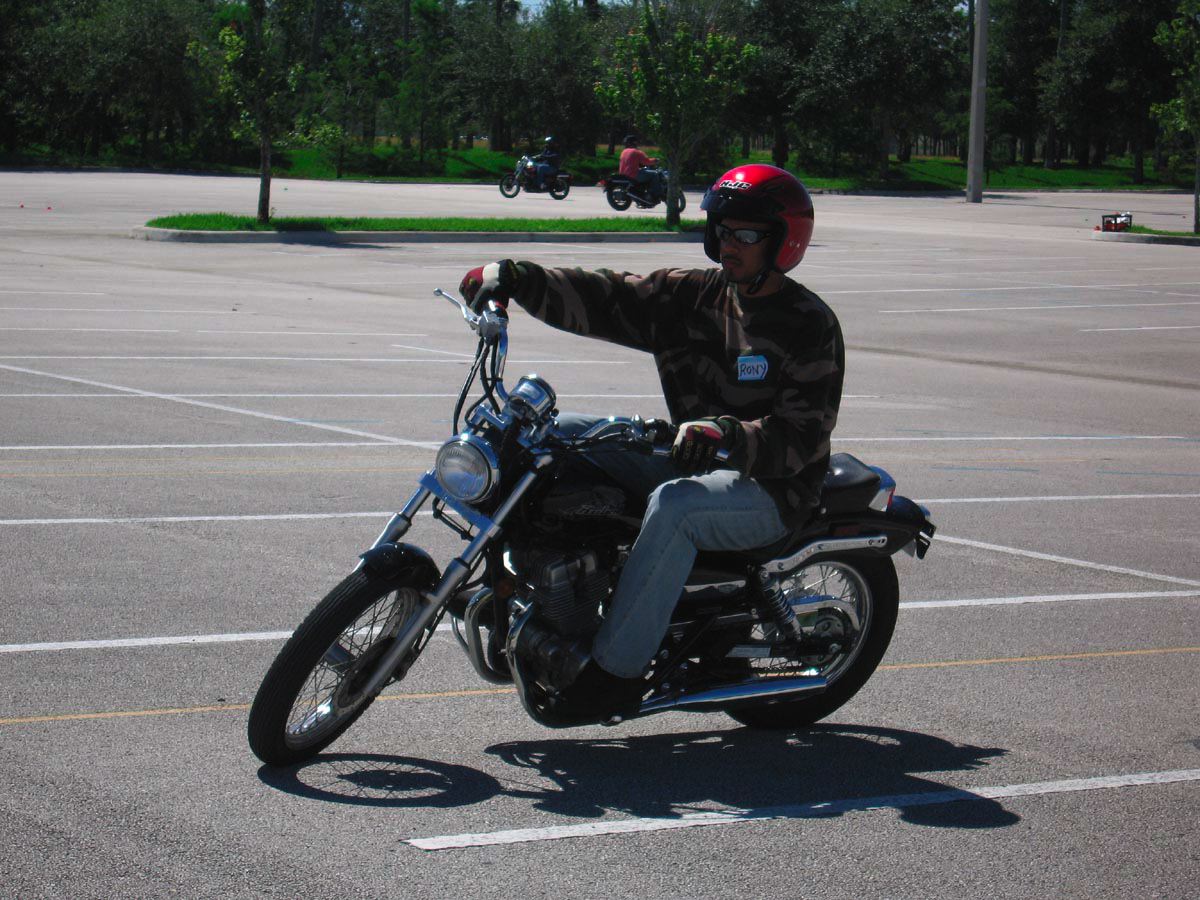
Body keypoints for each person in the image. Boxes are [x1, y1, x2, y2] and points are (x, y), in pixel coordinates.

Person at [459, 164, 843, 721]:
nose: (729, 244)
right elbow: (606, 295)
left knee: (676, 506)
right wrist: (515, 278)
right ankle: (534, 588)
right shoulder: (690, 295)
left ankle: (612, 674)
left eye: (746, 234)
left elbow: (800, 439)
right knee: (556, 437)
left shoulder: (809, 324)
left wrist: (726, 433)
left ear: (784, 241)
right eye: (722, 230)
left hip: (773, 489)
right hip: (692, 458)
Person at [618, 134, 662, 200]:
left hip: (623, 175)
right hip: (633, 175)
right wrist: (656, 160)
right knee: (654, 174)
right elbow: (647, 162)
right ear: (634, 143)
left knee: (644, 171)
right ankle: (656, 194)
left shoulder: (624, 152)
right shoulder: (636, 152)